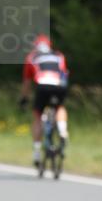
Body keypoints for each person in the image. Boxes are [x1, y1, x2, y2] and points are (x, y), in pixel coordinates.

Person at [19, 34, 69, 166]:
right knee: (60, 107)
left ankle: (36, 151)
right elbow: (64, 73)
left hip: (42, 86)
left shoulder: (31, 57)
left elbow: (27, 83)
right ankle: (63, 131)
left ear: (35, 46)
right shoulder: (59, 55)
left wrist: (24, 99)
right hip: (59, 85)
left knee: (37, 115)